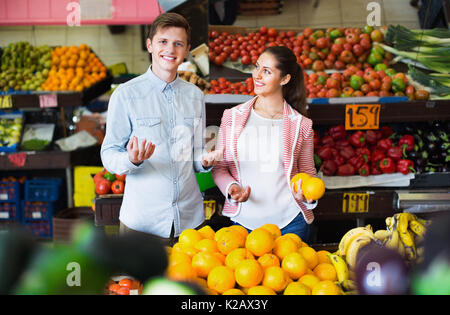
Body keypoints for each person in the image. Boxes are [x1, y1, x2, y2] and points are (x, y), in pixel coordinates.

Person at [101, 12, 222, 244]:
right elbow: (108, 153)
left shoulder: (195, 96)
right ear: (150, 45)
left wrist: (205, 161)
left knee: (190, 281)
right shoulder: (126, 95)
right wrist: (132, 159)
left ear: (187, 50)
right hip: (143, 224)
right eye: (163, 42)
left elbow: (195, 153)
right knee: (138, 282)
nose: (170, 49)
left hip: (190, 221)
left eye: (178, 44)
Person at [211, 46, 318, 242]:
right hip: (243, 223)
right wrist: (232, 187)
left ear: (284, 79)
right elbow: (220, 167)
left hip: (291, 224)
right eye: (257, 67)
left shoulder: (301, 125)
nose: (257, 75)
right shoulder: (232, 117)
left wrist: (307, 196)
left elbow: (308, 173)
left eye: (267, 71)